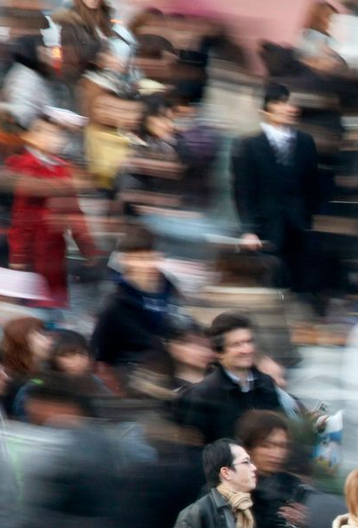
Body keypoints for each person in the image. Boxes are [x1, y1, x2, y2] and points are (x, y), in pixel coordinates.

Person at [232, 82, 321, 296]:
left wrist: (309, 217)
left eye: (289, 103)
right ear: (265, 109)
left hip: (300, 227)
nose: (287, 108)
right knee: (270, 285)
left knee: (301, 287)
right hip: (266, 227)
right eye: (279, 103)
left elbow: (312, 184)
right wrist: (248, 229)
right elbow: (242, 190)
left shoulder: (305, 142)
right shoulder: (248, 145)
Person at [6, 113, 99, 310]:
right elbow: (20, 217)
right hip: (27, 249)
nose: (56, 139)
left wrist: (87, 247)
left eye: (58, 135)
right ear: (32, 136)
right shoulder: (21, 165)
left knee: (51, 299)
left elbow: (74, 212)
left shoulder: (63, 168)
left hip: (54, 247)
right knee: (26, 304)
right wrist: (18, 256)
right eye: (48, 133)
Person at [176, 313, 288, 445]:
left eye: (249, 342)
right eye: (236, 345)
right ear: (219, 352)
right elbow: (195, 447)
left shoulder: (266, 384)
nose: (247, 350)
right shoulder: (203, 394)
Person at [91, 227, 182, 382]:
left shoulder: (170, 292)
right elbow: (101, 350)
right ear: (125, 260)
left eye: (152, 258)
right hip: (132, 376)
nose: (148, 265)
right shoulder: (115, 304)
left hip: (170, 370)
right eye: (140, 258)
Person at [172, 438, 259, 528]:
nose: (254, 468)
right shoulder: (196, 513)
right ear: (226, 472)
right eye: (246, 462)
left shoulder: (244, 509)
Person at [234, 409, 309, 528]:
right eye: (266, 446)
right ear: (248, 448)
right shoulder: (228, 486)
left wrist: (299, 524)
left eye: (282, 446)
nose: (277, 453)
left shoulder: (293, 486)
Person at [0, 315, 51, 415]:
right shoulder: (9, 378)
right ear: (22, 338)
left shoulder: (45, 371)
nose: (48, 340)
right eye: (40, 334)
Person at [1, 34, 54, 129]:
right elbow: (22, 112)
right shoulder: (25, 77)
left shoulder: (32, 74)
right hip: (33, 133)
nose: (48, 53)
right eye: (43, 49)